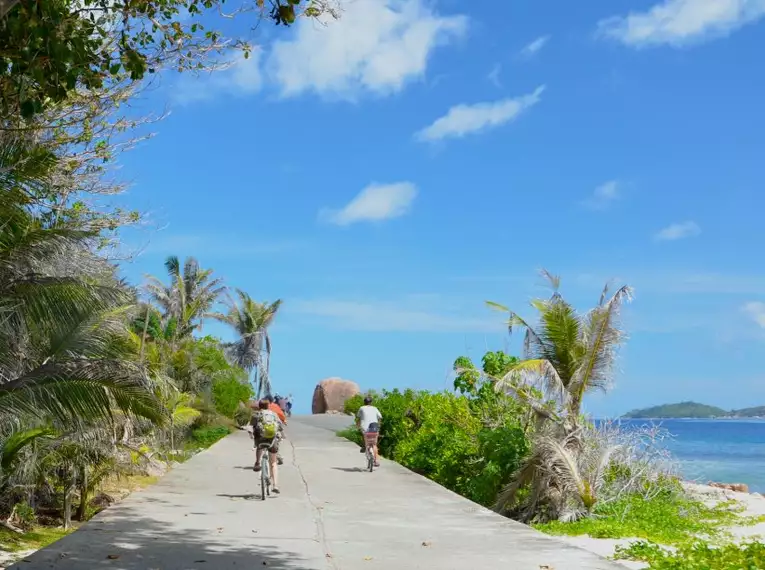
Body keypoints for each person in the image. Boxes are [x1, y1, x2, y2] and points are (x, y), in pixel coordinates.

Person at [250, 399, 283, 493]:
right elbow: (280, 427)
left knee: (259, 445)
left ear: (259, 406)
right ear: (268, 406)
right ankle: (275, 485)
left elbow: (251, 426)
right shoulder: (274, 414)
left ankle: (257, 463)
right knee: (273, 463)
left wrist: (252, 434)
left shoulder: (256, 414)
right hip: (272, 440)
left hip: (260, 440)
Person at [356, 396, 382, 467]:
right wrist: (379, 426)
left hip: (365, 429)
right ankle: (376, 460)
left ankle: (364, 446)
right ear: (371, 402)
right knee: (374, 444)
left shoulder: (361, 408)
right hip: (374, 428)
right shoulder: (375, 408)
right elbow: (380, 417)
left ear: (364, 402)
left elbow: (358, 418)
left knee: (364, 436)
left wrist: (357, 426)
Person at [264, 395, 287, 465]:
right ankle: (278, 457)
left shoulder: (263, 406)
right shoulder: (275, 406)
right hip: (274, 428)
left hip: (264, 429)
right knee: (276, 442)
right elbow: (281, 415)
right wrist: (284, 421)